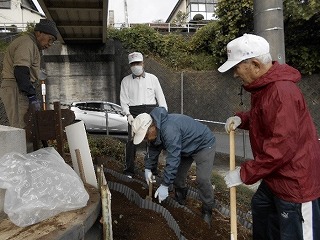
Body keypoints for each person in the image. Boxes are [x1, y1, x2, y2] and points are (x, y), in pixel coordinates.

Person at [219, 33, 320, 239]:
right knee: (261, 207)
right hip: (275, 176)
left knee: (294, 233)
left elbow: (281, 148)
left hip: (294, 181)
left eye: (237, 67)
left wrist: (244, 173)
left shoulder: (282, 92)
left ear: (255, 64)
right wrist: (242, 119)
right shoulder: (264, 89)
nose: (235, 74)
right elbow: (264, 116)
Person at [131, 107, 216, 225]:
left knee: (202, 179)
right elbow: (153, 150)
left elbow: (173, 158)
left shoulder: (169, 129)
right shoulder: (157, 130)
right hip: (185, 146)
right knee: (177, 178)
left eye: (145, 136)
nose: (145, 139)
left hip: (203, 144)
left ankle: (207, 209)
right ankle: (180, 199)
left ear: (151, 127)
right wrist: (147, 168)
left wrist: (165, 185)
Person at [0, 19, 58, 129]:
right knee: (21, 128)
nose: (49, 44)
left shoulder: (32, 44)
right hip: (16, 87)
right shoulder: (27, 43)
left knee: (28, 127)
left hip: (20, 88)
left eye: (52, 42)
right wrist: (31, 94)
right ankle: (21, 147)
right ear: (39, 32)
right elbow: (20, 70)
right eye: (49, 40)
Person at [120, 52, 167, 178]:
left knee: (153, 141)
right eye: (133, 64)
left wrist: (163, 113)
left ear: (143, 63)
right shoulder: (126, 81)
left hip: (151, 111)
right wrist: (128, 114)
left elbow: (160, 98)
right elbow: (124, 101)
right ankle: (129, 170)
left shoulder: (153, 78)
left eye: (138, 63)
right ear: (130, 65)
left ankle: (152, 170)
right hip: (134, 113)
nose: (136, 66)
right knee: (131, 142)